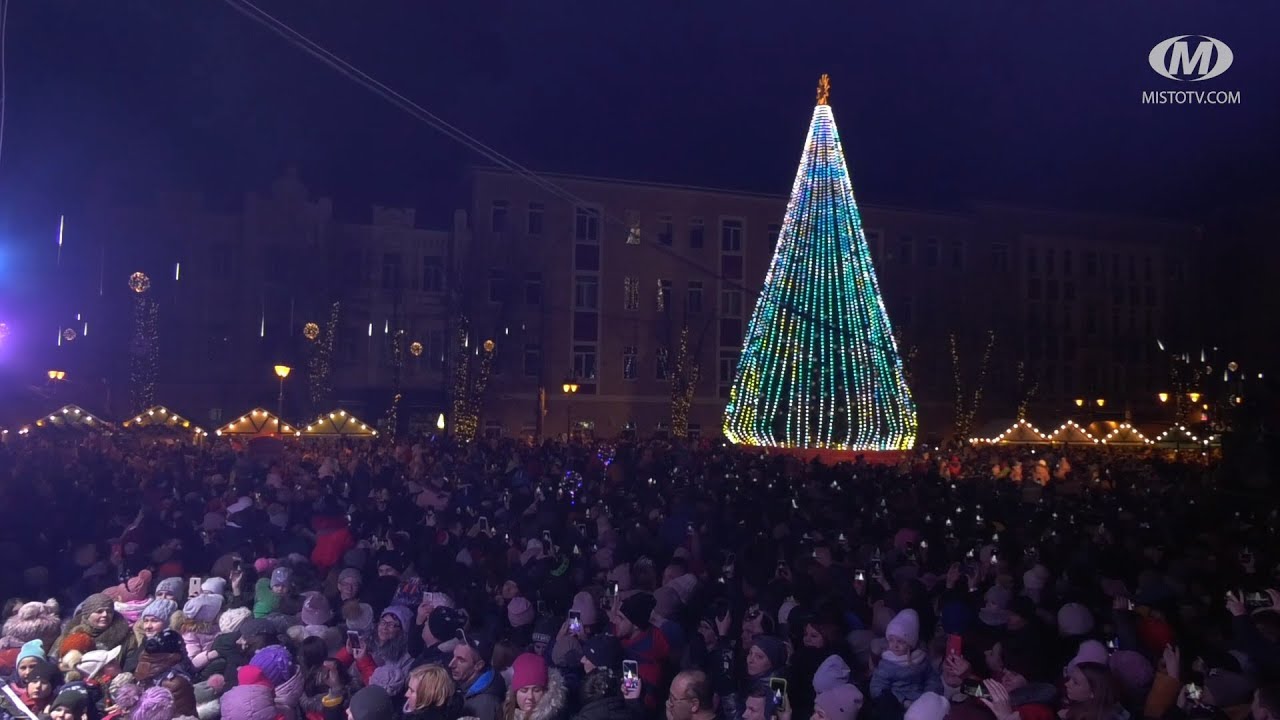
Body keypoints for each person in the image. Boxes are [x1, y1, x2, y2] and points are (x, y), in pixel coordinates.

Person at [870, 609, 942, 714]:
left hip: (922, 702)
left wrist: (928, 696)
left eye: (900, 641)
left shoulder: (921, 659)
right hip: (897, 707)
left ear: (911, 643)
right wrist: (901, 701)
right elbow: (877, 688)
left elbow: (932, 678)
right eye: (891, 640)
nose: (895, 645)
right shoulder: (886, 664)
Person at [451, 633, 505, 720]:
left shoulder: (486, 704)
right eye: (453, 656)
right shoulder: (460, 685)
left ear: (479, 665)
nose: (451, 664)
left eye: (461, 660)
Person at [502, 653, 567, 720]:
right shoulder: (503, 715)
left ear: (546, 692)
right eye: (524, 691)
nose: (530, 696)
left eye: (536, 690)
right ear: (515, 693)